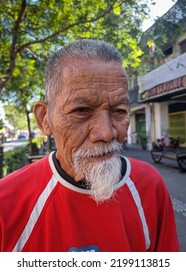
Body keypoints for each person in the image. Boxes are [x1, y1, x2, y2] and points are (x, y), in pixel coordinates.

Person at [0, 39, 180, 252]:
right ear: (45, 119)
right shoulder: (6, 204)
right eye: (82, 110)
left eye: (119, 111)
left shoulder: (150, 185)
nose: (106, 133)